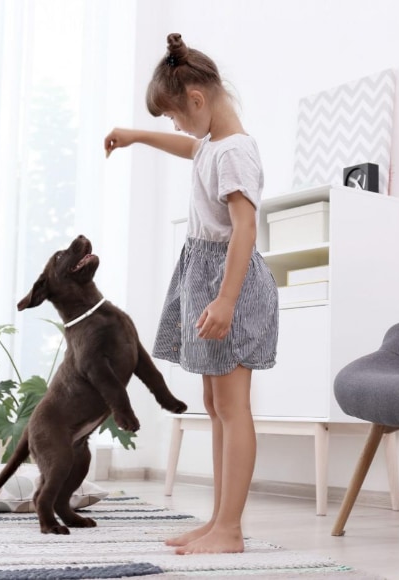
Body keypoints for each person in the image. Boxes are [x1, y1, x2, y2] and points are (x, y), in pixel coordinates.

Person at [104, 33, 278, 555]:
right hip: (204, 276)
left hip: (231, 284)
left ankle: (230, 529)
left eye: (176, 116)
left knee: (232, 404)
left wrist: (225, 300)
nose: (177, 127)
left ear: (197, 101)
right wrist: (137, 135)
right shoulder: (214, 144)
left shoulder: (236, 152)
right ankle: (220, 520)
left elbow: (244, 229)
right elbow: (190, 147)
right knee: (214, 401)